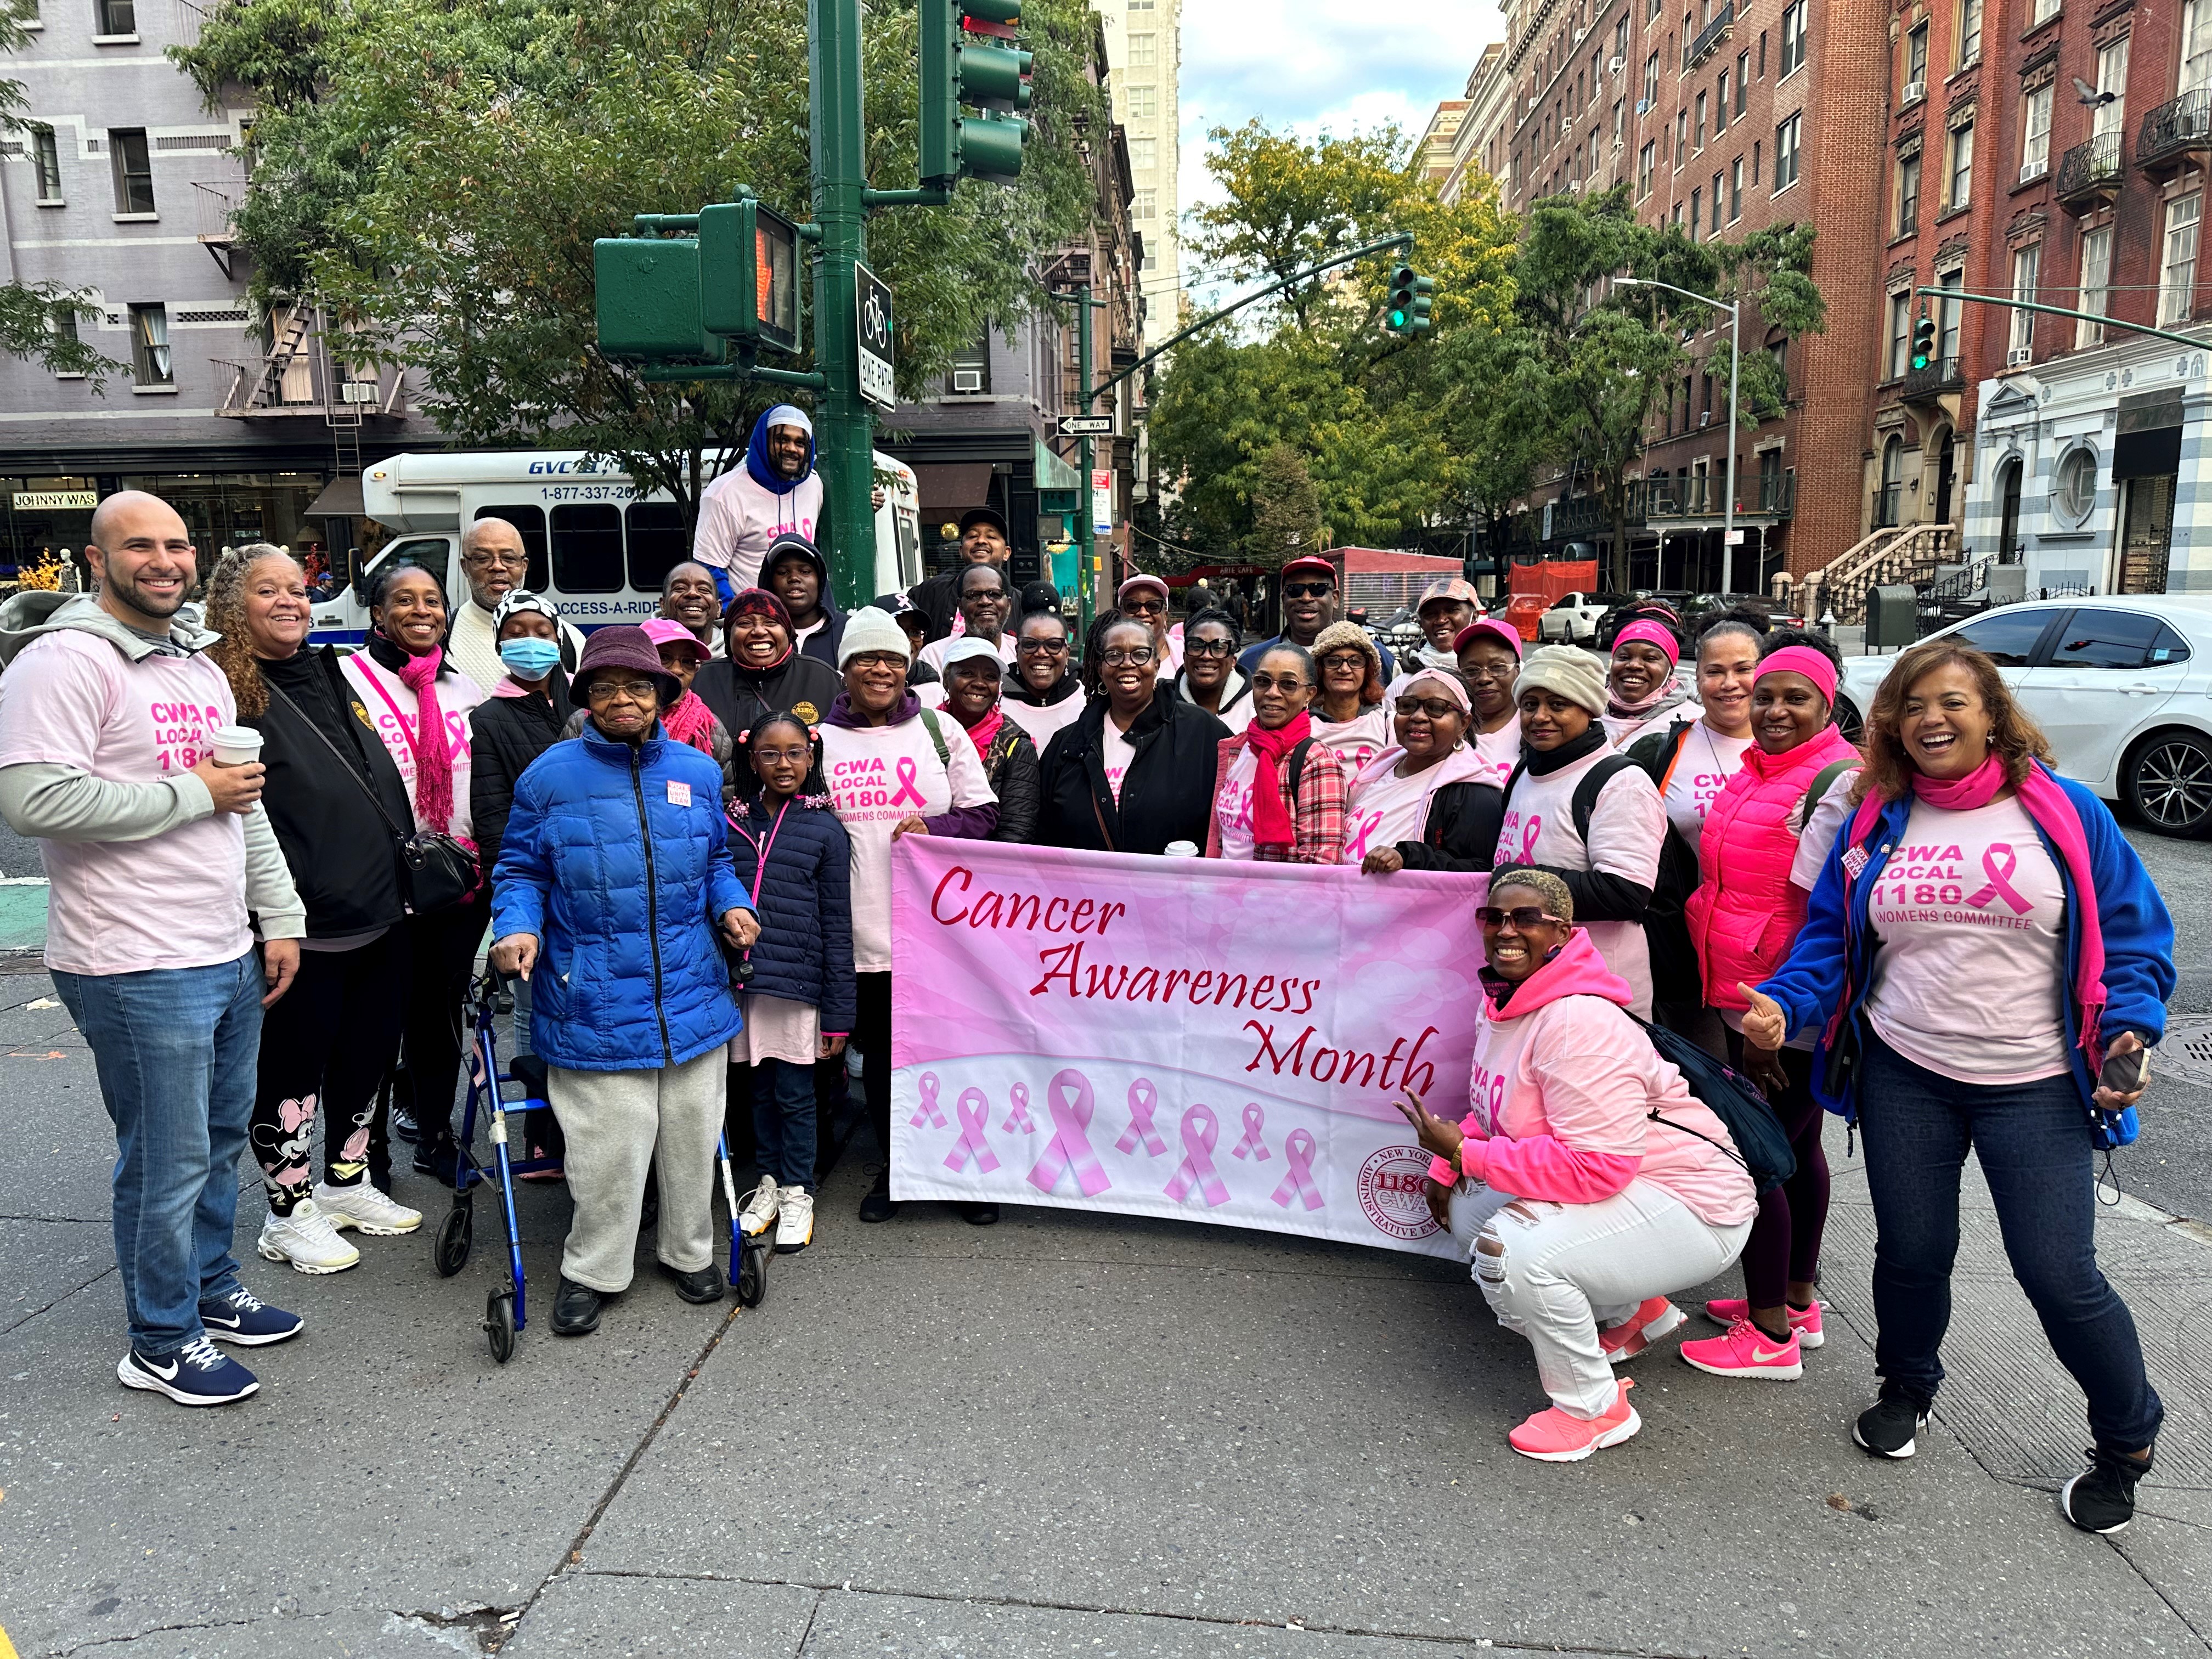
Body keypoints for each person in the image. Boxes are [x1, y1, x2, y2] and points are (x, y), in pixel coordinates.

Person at [1742, 642, 2173, 1533]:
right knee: (1911, 1251)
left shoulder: (2068, 813)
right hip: (1905, 1073)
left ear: (1992, 716)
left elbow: (2133, 938)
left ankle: (2127, 1438)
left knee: (2058, 1273)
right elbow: (1829, 937)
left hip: (2035, 1082)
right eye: (1911, 706)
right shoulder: (1876, 818)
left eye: (1951, 702)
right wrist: (1785, 1002)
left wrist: (2129, 1033)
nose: (1930, 719)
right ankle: (1907, 1386)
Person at [0, 490, 307, 1406]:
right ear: (97, 560)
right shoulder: (64, 661)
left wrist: (277, 912)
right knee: (166, 1159)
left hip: (222, 945)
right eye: (140, 545)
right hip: (133, 958)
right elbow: (32, 801)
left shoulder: (195, 661)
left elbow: (239, 800)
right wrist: (193, 793)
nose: (164, 560)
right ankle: (162, 1339)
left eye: (177, 544)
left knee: (215, 1142)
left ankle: (208, 1287)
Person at [1398, 867, 1757, 1462]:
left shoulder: (1576, 1022)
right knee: (1469, 1208)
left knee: (1509, 1250)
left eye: (1526, 918)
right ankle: (1633, 1309)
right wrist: (1449, 1168)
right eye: (1494, 917)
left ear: (1562, 933)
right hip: (1634, 1187)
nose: (1506, 930)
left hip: (1695, 1205)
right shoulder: (1506, 1000)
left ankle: (1594, 1408)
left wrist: (1464, 1154)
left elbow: (1596, 1168)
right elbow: (1500, 1110)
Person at [490, 627, 757, 1333]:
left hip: (691, 990)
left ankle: (689, 1252)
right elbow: (520, 871)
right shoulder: (548, 776)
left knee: (693, 1135)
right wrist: (518, 927)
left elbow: (717, 862)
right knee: (612, 1145)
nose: (622, 701)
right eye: (604, 689)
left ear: (662, 694)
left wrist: (734, 905)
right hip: (595, 995)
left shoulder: (698, 772)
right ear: (585, 699)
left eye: (637, 687)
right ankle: (593, 1269)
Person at [205, 544, 421, 1276]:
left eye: (298, 589)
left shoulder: (331, 669)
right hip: (303, 924)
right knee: (292, 1072)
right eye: (269, 591)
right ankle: (288, 1212)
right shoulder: (226, 690)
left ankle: (346, 1183)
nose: (291, 602)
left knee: (367, 1057)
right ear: (233, 604)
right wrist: (273, 916)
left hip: (379, 908)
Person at [1673, 632, 1859, 1382]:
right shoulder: (1757, 769)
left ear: (1827, 705)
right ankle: (1797, 1300)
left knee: (1762, 1157)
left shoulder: (1837, 784)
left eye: (1796, 698)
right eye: (1767, 696)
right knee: (1798, 1151)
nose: (1775, 710)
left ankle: (1770, 1332)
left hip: (1782, 1000)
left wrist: (1773, 1018)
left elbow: (1826, 911)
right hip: (1744, 982)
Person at [821, 608, 1000, 1224]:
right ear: (845, 669)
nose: (881, 670)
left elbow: (983, 814)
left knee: (950, 1053)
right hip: (862, 931)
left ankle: (964, 1174)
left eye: (894, 660)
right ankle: (898, 1170)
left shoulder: (938, 729)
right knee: (882, 1061)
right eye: (867, 659)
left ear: (908, 667)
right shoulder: (821, 741)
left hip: (939, 934)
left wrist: (936, 827)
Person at [341, 562, 489, 1183]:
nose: (422, 610)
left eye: (432, 600)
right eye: (405, 600)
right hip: (379, 881)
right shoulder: (347, 680)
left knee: (438, 1021)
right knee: (374, 1026)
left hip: (454, 885)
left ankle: (434, 1136)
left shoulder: (463, 688)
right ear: (378, 613)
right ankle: (362, 1154)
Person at [726, 714, 853, 1256]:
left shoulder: (825, 828)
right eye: (771, 754)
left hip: (798, 987)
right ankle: (770, 1183)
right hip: (742, 985)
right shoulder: (730, 822)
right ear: (751, 759)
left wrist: (839, 1013)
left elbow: (838, 925)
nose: (784, 764)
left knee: (796, 1095)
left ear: (811, 757)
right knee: (757, 1091)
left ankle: (798, 1191)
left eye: (795, 753)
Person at [1493, 645, 1666, 1018]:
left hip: (1597, 993)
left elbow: (1625, 894)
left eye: (1558, 705)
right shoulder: (1524, 772)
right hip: (1531, 981)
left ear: (1588, 710)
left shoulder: (1621, 783)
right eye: (1530, 704)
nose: (1540, 716)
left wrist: (1518, 882)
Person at [468, 589, 577, 1176]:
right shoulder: (490, 718)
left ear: (559, 639)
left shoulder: (584, 700)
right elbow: (492, 817)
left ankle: (584, 1129)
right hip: (536, 884)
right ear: (499, 643)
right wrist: (511, 906)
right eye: (516, 632)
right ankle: (541, 1138)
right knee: (533, 1011)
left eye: (541, 630)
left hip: (591, 880)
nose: (530, 642)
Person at [1622, 613, 1765, 1042]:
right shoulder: (1660, 751)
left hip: (1764, 955)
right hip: (1680, 952)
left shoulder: (1790, 748)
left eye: (1743, 669)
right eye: (1715, 671)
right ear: (1696, 677)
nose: (1729, 684)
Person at [1038, 611, 1229, 856]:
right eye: (1114, 655)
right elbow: (1044, 838)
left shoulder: (1203, 732)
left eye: (1140, 655)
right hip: (1086, 882)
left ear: (1156, 665)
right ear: (1100, 668)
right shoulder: (1067, 745)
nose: (1127, 664)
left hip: (1179, 881)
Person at [1347, 667, 1504, 874]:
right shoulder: (1377, 769)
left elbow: (1478, 871)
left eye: (1436, 708)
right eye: (1408, 706)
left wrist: (1408, 857)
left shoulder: (1475, 793)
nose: (1418, 716)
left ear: (1463, 724)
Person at [1205, 642, 1345, 863]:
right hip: (1223, 883)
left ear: (1309, 695)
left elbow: (1320, 863)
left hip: (1272, 886)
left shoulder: (1316, 762)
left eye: (1289, 684)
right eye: (1263, 681)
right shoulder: (1236, 748)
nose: (1272, 693)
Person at [691, 588, 840, 792]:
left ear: (787, 631)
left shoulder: (822, 678)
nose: (759, 631)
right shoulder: (701, 680)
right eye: (745, 623)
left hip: (805, 806)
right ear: (729, 634)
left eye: (771, 623)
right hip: (722, 806)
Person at [442, 518, 585, 694]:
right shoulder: (444, 640)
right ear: (465, 567)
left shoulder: (571, 640)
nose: (497, 567)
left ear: (524, 566)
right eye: (483, 559)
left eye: (509, 558)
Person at [695, 405, 822, 602]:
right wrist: (737, 614)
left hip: (802, 612)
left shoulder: (813, 484)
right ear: (764, 441)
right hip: (755, 615)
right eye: (782, 440)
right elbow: (710, 570)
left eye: (800, 443)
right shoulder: (724, 494)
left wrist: (869, 500)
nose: (791, 449)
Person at [938, 635, 1041, 844]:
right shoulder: (925, 730)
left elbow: (1016, 833)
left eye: (990, 677)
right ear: (946, 679)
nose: (979, 683)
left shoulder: (1015, 745)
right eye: (967, 673)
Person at [1238, 555, 1395, 680]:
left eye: (1318, 589)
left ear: (1335, 598)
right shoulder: (1251, 661)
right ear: (1284, 600)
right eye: (1295, 590)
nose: (1306, 598)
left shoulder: (1376, 657)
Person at [908, 506, 1012, 642]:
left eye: (991, 537)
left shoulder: (1021, 604)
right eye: (972, 536)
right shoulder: (930, 591)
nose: (981, 541)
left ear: (1006, 553)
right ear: (961, 551)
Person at [1308, 619, 1391, 775]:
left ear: (1368, 670)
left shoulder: (1388, 725)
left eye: (1356, 661)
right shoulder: (1303, 726)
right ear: (1319, 670)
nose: (1344, 669)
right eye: (1333, 661)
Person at [1601, 617, 1699, 748]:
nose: (1634, 665)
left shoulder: (1693, 723)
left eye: (1650, 658)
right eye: (1624, 657)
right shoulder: (1585, 709)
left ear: (1670, 670)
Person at [1001, 606, 1086, 751]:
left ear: (1067, 653)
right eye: (1030, 644)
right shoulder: (998, 705)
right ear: (1017, 651)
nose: (1041, 653)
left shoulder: (1087, 705)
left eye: (1053, 645)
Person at [1455, 618, 1525, 788]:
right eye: (1471, 671)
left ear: (1517, 672)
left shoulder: (1535, 727)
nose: (1484, 678)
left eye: (1498, 667)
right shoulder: (1448, 729)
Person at [763, 533, 845, 670]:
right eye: (783, 572)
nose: (794, 578)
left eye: (805, 572)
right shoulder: (758, 634)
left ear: (820, 580)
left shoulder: (848, 629)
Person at [917, 563, 1015, 676]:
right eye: (973, 595)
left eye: (994, 594)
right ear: (961, 607)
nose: (985, 601)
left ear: (1009, 605)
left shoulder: (1021, 653)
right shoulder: (934, 657)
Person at [1175, 606, 1249, 718]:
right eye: (1197, 646)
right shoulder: (1164, 704)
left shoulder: (1254, 705)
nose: (1206, 656)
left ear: (1233, 661)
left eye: (1218, 648)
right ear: (1185, 657)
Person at [1116, 573, 1181, 673]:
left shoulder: (1187, 654)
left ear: (1165, 616)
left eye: (1153, 606)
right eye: (1132, 606)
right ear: (1121, 614)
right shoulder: (1110, 657)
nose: (1143, 613)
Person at [659, 561, 725, 657]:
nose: (692, 593)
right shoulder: (645, 652)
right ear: (663, 605)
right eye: (680, 588)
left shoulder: (737, 654)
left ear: (718, 608)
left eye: (704, 589)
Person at [1413, 577, 1481, 669]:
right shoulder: (1408, 675)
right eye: (1431, 614)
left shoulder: (1490, 670)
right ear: (1422, 625)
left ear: (1473, 618)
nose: (1441, 620)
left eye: (1452, 610)